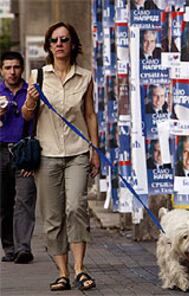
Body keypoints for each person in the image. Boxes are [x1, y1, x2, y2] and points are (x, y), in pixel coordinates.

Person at [22, 22, 100, 291]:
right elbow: (27, 115)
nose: (59, 44)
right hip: (47, 153)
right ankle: (62, 272)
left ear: (72, 44)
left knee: (76, 206)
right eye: (54, 40)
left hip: (78, 151)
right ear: (48, 45)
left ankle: (80, 269)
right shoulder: (38, 76)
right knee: (52, 216)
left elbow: (90, 114)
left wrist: (95, 150)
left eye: (64, 39)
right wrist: (31, 100)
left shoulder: (86, 77)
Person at [0, 51, 37, 264]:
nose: (12, 72)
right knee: (4, 203)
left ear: (22, 69)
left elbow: (39, 122)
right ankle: (9, 248)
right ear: (1, 70)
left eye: (15, 67)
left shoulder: (30, 91)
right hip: (1, 150)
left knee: (24, 200)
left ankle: (23, 247)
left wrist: (33, 158)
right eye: (7, 67)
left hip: (24, 151)